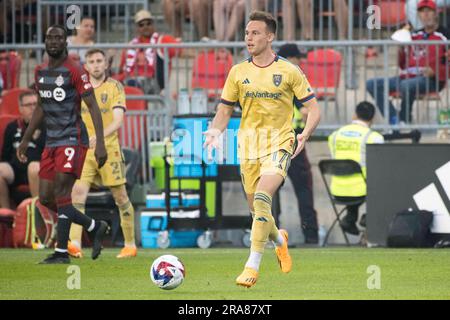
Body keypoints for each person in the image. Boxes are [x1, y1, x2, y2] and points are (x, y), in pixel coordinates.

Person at [203, 11, 321, 287]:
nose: (249, 38)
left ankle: (252, 265)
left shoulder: (289, 71)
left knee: (262, 198)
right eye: (246, 33)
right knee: (258, 212)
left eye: (255, 33)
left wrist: (304, 134)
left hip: (279, 142)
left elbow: (314, 109)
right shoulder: (238, 72)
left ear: (270, 36)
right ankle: (280, 240)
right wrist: (214, 132)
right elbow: (224, 110)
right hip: (248, 146)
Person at [17, 25, 108, 264]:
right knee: (46, 198)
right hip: (51, 141)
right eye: (50, 37)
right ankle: (94, 225)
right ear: (45, 42)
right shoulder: (39, 71)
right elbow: (40, 107)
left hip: (73, 138)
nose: (54, 41)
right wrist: (26, 139)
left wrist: (100, 145)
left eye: (58, 38)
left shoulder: (75, 70)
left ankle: (61, 253)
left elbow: (93, 107)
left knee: (61, 193)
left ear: (66, 42)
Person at [67, 48, 137, 259]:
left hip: (109, 150)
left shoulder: (115, 87)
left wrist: (98, 135)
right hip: (85, 151)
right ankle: (75, 244)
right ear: (85, 66)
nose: (96, 64)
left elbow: (117, 121)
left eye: (99, 61)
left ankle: (130, 245)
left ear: (106, 64)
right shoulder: (80, 88)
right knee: (77, 193)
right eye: (92, 61)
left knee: (120, 196)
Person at [366, 0, 450, 124]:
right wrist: (400, 51)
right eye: (422, 12)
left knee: (407, 85)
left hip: (432, 80)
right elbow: (403, 65)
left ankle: (405, 119)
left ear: (436, 13)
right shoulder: (414, 35)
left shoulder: (445, 36)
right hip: (407, 76)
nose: (425, 15)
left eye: (429, 11)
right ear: (418, 15)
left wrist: (436, 71)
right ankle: (394, 120)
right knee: (372, 84)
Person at [277, 43, 319, 244]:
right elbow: (305, 110)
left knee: (268, 190)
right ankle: (310, 235)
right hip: (292, 141)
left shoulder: (267, 75)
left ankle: (270, 234)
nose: (300, 62)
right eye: (297, 58)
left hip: (270, 141)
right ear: (289, 58)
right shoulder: (293, 77)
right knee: (303, 188)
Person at [327, 101, 384, 235]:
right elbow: (380, 167)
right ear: (372, 118)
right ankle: (369, 217)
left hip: (337, 189)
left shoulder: (335, 136)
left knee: (354, 177)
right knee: (381, 179)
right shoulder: (374, 138)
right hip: (362, 190)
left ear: (354, 115)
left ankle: (350, 218)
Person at [115, 9, 180, 94]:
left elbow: (184, 51)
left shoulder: (163, 40)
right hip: (131, 81)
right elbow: (123, 71)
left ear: (153, 25)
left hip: (154, 84)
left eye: (148, 23)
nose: (145, 27)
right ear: (137, 28)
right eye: (141, 25)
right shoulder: (130, 46)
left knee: (129, 85)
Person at [0, 91, 44, 209]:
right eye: (28, 105)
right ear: (20, 108)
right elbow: (5, 156)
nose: (33, 108)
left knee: (33, 167)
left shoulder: (46, 126)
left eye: (35, 104)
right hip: (16, 170)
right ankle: (6, 213)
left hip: (38, 171)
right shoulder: (12, 127)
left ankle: (39, 212)